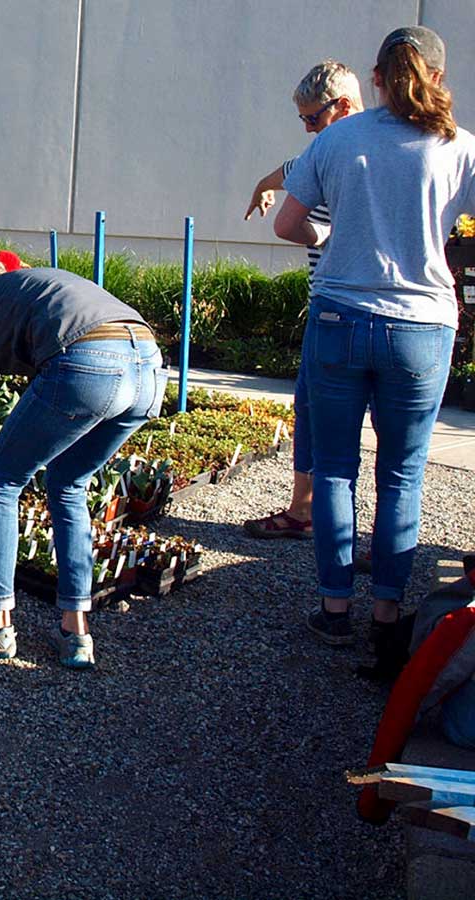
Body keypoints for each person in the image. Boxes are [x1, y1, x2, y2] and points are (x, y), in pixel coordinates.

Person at [274, 26, 475, 654]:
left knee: (334, 470)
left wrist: (339, 243)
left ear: (377, 78)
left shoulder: (338, 139)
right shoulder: (460, 147)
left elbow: (289, 223)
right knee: (402, 475)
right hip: (422, 324)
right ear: (438, 78)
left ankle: (335, 611)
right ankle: (387, 617)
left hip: (339, 317)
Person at [0, 252, 166, 669]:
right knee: (67, 484)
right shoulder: (25, 287)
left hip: (89, 366)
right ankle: (77, 633)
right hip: (148, 372)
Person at [242, 61, 363, 540]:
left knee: (317, 409)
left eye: (314, 118)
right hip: (403, 313)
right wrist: (264, 188)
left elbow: (291, 222)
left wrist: (325, 238)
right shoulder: (339, 152)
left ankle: (309, 512)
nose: (310, 129)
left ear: (345, 106)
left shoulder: (336, 155)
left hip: (336, 302)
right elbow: (285, 171)